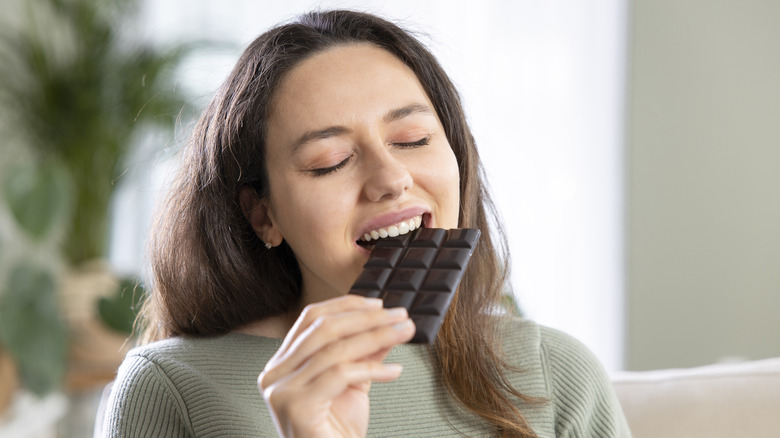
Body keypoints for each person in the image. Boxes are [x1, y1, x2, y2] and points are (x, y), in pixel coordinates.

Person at [100, 9, 631, 438]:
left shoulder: (553, 372)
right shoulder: (175, 387)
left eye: (413, 140)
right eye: (329, 161)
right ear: (263, 214)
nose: (391, 177)